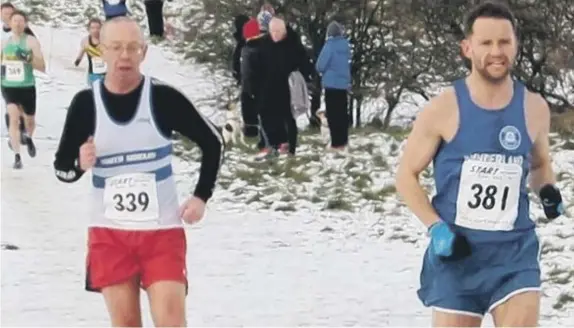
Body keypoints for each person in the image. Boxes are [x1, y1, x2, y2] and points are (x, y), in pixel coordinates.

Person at [395, 2, 565, 327]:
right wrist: (436, 228)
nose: (496, 51)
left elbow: (540, 164)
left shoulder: (534, 107)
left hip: (514, 255)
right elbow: (406, 176)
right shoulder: (441, 109)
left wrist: (547, 190)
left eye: (504, 42)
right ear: (467, 48)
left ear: (516, 45)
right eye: (486, 43)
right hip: (458, 257)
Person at [53, 17, 224, 326]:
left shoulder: (163, 98)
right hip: (109, 234)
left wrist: (201, 196)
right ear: (101, 51)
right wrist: (80, 163)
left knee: (171, 321)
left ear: (144, 52)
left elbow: (213, 141)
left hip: (162, 233)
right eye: (116, 47)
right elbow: (61, 169)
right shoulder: (85, 104)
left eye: (133, 47)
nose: (125, 56)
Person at [254, 17, 314, 159]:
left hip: (287, 88)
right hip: (268, 87)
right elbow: (257, 64)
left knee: (288, 118)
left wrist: (305, 78)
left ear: (284, 31)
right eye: (272, 31)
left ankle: (291, 149)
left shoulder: (293, 43)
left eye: (278, 31)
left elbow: (305, 63)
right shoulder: (264, 43)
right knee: (267, 117)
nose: (274, 34)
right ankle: (272, 146)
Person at [1, 10, 45, 169]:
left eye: (21, 21)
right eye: (15, 21)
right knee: (13, 118)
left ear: (25, 24)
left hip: (27, 86)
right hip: (9, 86)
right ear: (10, 24)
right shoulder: (4, 43)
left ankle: (27, 136)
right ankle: (17, 156)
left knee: (30, 121)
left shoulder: (31, 41)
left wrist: (27, 59)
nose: (18, 24)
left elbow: (42, 66)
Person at [1, 2, 34, 143]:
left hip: (23, 73)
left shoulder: (24, 30)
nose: (7, 16)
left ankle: (21, 131)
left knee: (20, 107)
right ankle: (13, 133)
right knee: (10, 104)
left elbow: (33, 49)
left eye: (10, 13)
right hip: (5, 72)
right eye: (5, 14)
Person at [316, 20, 351, 151]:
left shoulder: (329, 46)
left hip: (331, 85)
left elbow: (320, 65)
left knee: (333, 115)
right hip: (343, 86)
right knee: (342, 114)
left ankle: (336, 143)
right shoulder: (346, 46)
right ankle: (343, 140)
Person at [240, 18, 264, 144]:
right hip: (263, 86)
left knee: (249, 110)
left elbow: (247, 72)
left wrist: (248, 88)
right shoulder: (264, 47)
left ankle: (251, 132)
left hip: (250, 87)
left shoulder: (248, 50)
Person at [74, 18, 106, 84]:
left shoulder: (106, 40)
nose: (95, 30)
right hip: (92, 73)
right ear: (89, 29)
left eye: (98, 28)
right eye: (93, 28)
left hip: (106, 74)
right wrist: (78, 60)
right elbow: (82, 51)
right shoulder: (85, 41)